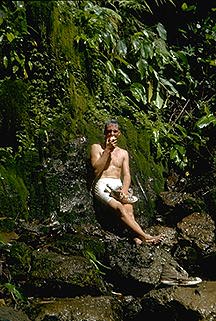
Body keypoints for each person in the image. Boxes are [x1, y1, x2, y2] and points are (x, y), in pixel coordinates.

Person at [90, 119, 164, 245]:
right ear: (104, 133)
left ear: (119, 134)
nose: (111, 134)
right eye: (109, 132)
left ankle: (136, 238)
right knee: (120, 208)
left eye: (114, 131)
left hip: (118, 185)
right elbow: (96, 170)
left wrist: (124, 190)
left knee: (129, 211)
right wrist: (107, 150)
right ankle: (146, 236)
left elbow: (127, 175)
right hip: (103, 184)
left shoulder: (123, 153)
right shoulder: (96, 148)